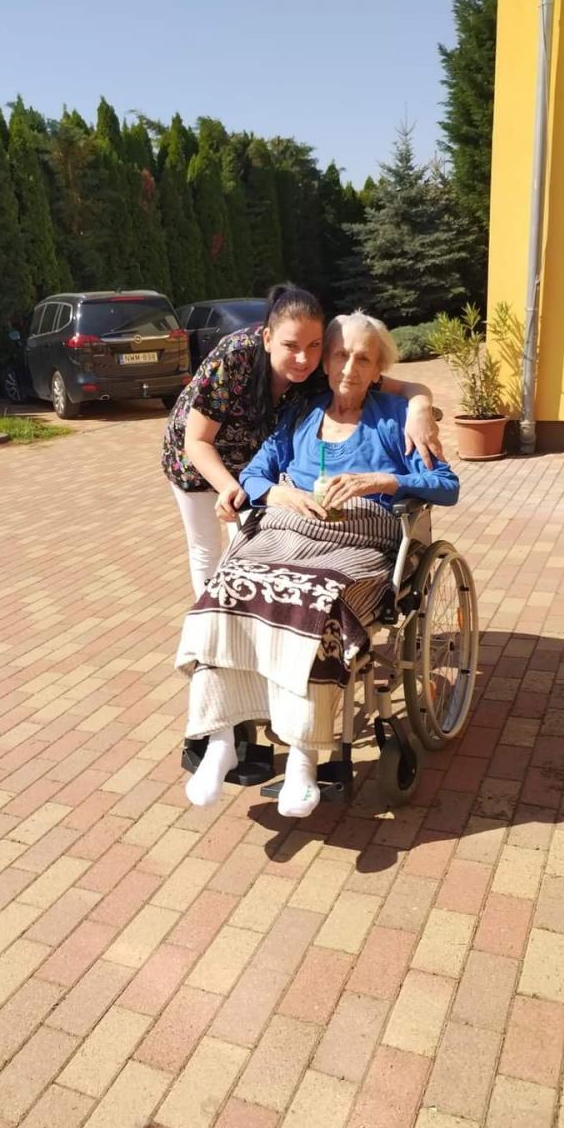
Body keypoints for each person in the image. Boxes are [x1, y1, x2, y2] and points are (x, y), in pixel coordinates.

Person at [176, 311, 460, 818]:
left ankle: (304, 760)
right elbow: (256, 473)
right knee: (226, 586)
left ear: (378, 369)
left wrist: (384, 481)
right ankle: (220, 741)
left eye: (363, 358)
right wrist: (280, 493)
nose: (349, 368)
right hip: (288, 529)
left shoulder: (396, 418)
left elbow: (447, 485)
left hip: (359, 540)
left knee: (314, 603)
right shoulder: (301, 414)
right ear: (326, 363)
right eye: (340, 355)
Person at [162, 284, 444, 598]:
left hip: (255, 462)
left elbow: (404, 387)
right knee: (208, 548)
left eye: (314, 345)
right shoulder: (235, 358)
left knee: (243, 546)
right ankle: (215, 613)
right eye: (291, 345)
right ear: (268, 339)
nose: (303, 358)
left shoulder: (324, 368)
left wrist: (420, 409)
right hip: (199, 456)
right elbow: (198, 440)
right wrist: (231, 488)